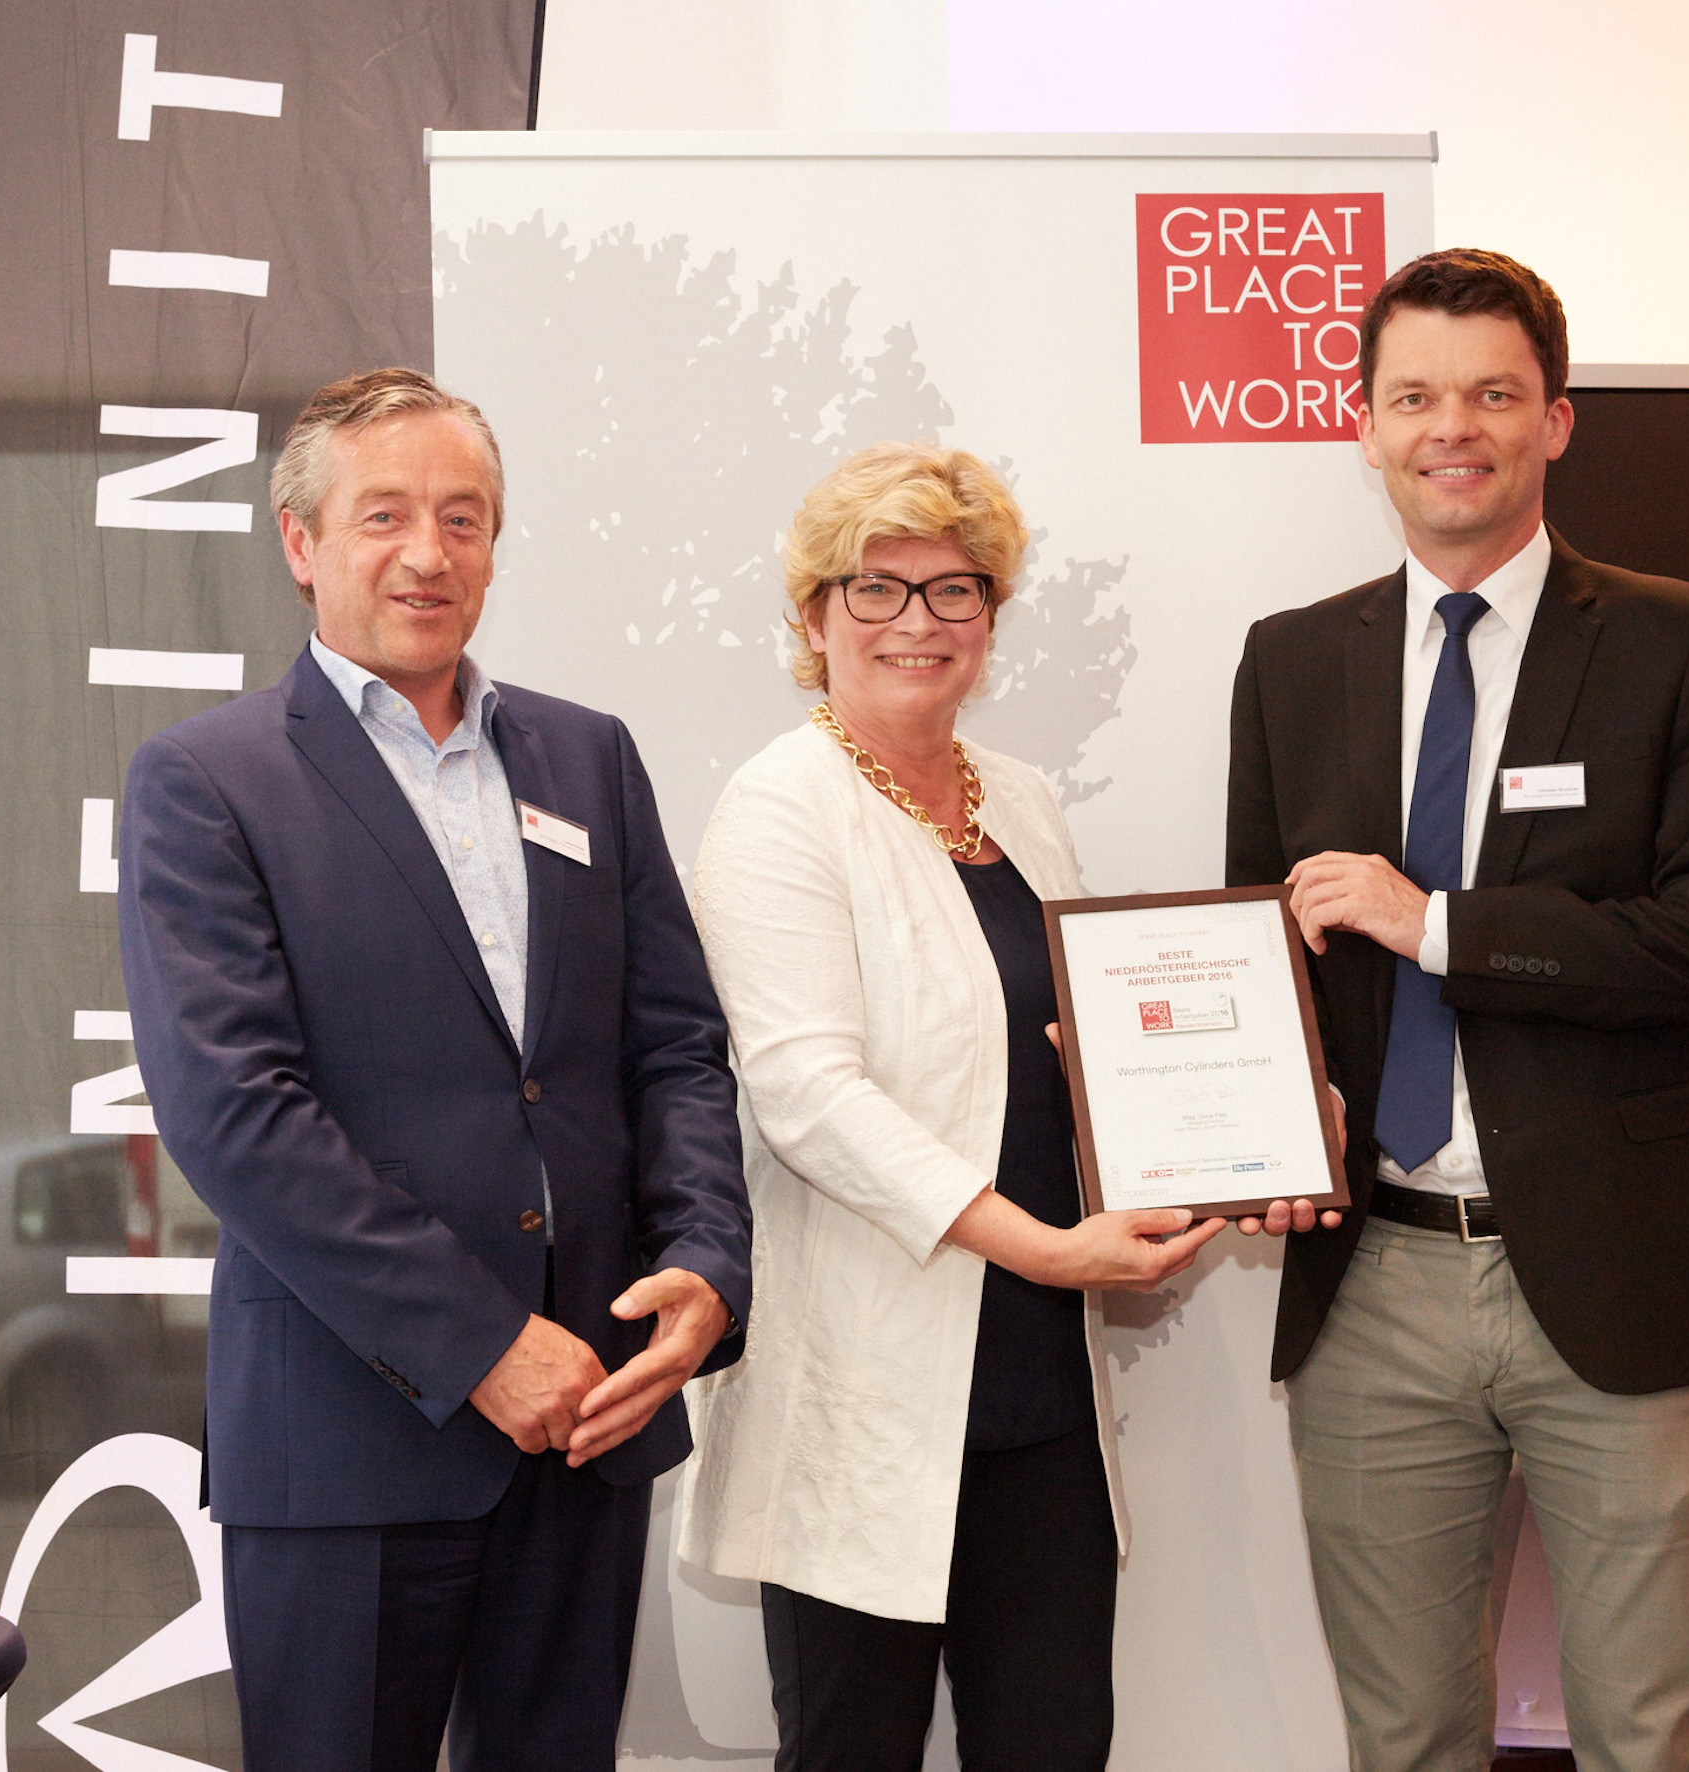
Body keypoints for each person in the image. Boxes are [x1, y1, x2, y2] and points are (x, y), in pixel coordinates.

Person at [116, 367, 752, 1772]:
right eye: (385, 516)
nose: (429, 552)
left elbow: (674, 1048)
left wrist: (706, 1264)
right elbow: (236, 1114)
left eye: (463, 518)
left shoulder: (588, 759)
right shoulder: (206, 782)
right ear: (301, 543)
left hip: (588, 1420)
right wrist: (482, 1345)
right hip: (351, 1439)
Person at [1225, 251, 1689, 1771]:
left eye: (1491, 393)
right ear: (1363, 426)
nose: (1451, 428)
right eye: (1413, 396)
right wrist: (1244, 1107)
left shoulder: (1679, 642)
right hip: (1372, 1285)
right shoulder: (1291, 661)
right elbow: (1261, 952)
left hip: (1622, 1270)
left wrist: (1443, 928)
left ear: (1555, 421)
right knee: (1405, 1738)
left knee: (1649, 1728)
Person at [677, 442, 1224, 1771]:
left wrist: (1235, 1122)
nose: (916, 622)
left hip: (1039, 1389)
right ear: (813, 616)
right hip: (865, 1395)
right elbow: (809, 1099)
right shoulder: (779, 809)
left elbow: (1081, 1046)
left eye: (954, 589)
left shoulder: (1019, 800)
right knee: (853, 1749)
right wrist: (1045, 1249)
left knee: (1052, 1745)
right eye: (876, 588)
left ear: (990, 613)